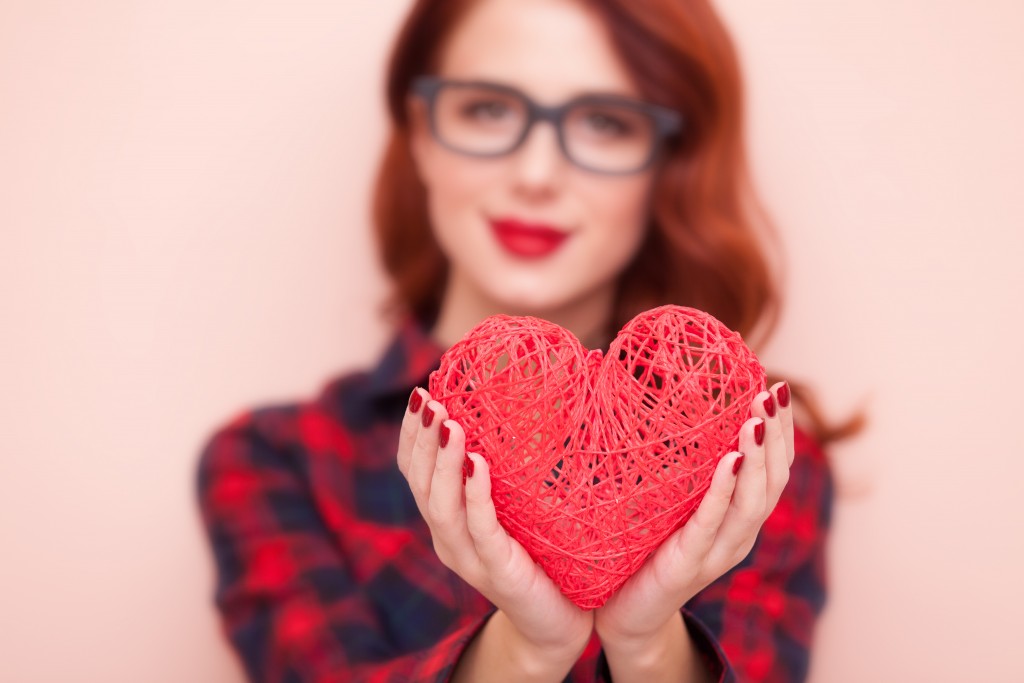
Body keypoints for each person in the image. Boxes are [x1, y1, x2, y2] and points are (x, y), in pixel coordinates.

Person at [197, 0, 856, 681]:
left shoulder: (757, 464)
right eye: (487, 109)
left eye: (605, 122)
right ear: (421, 133)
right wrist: (525, 650)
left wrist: (649, 643)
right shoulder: (278, 458)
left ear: (666, 162)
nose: (536, 175)